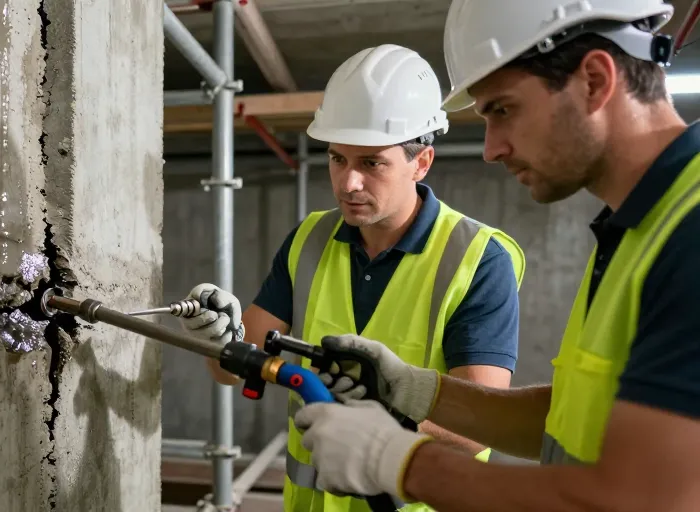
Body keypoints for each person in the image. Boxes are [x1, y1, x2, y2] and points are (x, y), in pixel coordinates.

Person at [292, 1, 700, 510]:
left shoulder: (690, 229)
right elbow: (569, 418)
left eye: (503, 110)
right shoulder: (641, 227)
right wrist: (418, 390)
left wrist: (399, 462)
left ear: (594, 81)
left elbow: (640, 500)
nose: (491, 149)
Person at [180, 44, 527, 512]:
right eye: (337, 159)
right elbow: (231, 368)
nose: (348, 183)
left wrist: (381, 441)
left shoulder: (478, 259)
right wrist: (216, 339)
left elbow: (481, 424)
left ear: (421, 161)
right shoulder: (310, 240)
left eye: (371, 163)